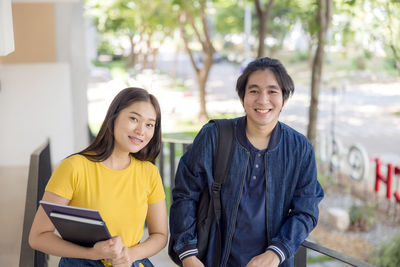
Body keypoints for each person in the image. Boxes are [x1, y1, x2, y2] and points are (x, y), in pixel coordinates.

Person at [169, 57, 324, 267]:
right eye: (254, 91)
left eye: (272, 91)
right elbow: (185, 194)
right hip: (213, 260)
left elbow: (306, 210)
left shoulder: (300, 149)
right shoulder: (214, 136)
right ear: (242, 98)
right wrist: (188, 254)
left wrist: (276, 253)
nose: (262, 100)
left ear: (284, 98)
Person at [29, 87, 168, 267]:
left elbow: (160, 235)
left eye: (150, 124)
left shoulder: (149, 173)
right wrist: (92, 253)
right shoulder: (74, 167)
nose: (141, 130)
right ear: (113, 119)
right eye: (134, 119)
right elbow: (38, 237)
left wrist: (129, 255)